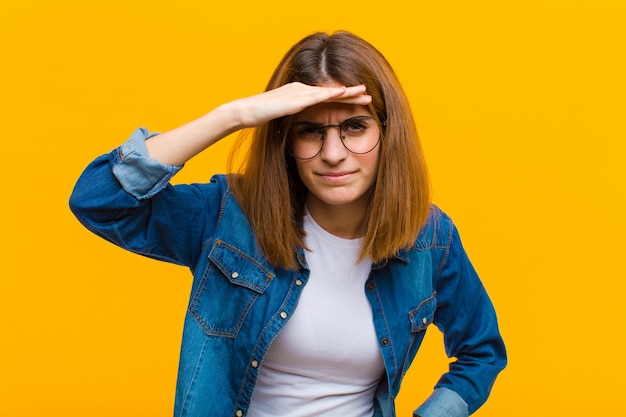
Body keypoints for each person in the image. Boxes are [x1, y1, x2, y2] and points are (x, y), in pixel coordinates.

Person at [69, 31, 506, 417]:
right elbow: (99, 200)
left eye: (355, 127)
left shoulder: (429, 238)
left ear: (388, 133)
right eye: (310, 131)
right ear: (285, 139)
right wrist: (232, 115)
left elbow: (481, 352)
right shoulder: (229, 216)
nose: (333, 153)